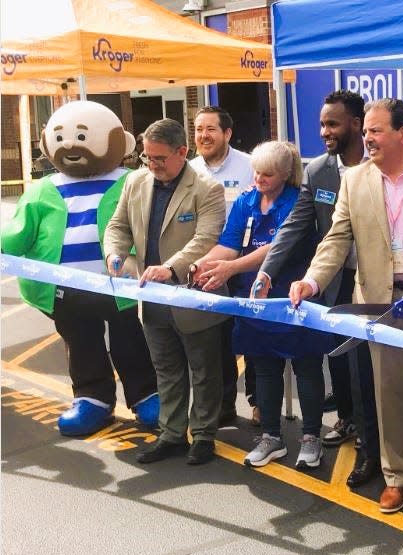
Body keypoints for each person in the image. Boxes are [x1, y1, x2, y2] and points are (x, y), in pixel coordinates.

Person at [289, 98, 403, 514]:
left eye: (376, 131)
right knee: (389, 392)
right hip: (378, 300)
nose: (367, 138)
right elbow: (336, 238)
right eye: (365, 132)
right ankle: (397, 477)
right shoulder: (356, 179)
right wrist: (312, 280)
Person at [1, 101, 159, 436]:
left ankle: (146, 394)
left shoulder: (133, 181)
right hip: (64, 288)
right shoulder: (43, 188)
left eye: (83, 136)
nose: (71, 145)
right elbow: (18, 233)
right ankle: (92, 398)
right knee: (82, 343)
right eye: (61, 138)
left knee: (129, 340)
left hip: (119, 285)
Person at [192, 141, 329, 470]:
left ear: (285, 174)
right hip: (254, 298)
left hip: (292, 295)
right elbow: (228, 244)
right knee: (263, 368)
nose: (259, 178)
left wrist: (231, 268)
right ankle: (271, 436)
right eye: (256, 171)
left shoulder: (297, 202)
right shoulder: (246, 200)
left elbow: (275, 247)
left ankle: (311, 437)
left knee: (306, 368)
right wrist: (198, 264)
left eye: (267, 174)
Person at [252, 90, 370, 471]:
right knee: (337, 354)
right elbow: (295, 226)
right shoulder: (318, 170)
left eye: (332, 123)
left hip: (374, 278)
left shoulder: (377, 165)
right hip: (333, 278)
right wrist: (267, 269)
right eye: (321, 124)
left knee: (369, 361)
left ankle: (373, 433)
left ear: (356, 123)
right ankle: (349, 418)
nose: (324, 131)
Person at [104, 118, 227, 466]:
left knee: (204, 370)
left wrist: (171, 267)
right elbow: (118, 225)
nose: (152, 165)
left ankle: (204, 435)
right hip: (152, 296)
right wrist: (114, 253)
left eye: (159, 158)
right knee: (167, 370)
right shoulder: (135, 182)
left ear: (182, 152)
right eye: (147, 157)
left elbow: (206, 240)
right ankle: (172, 434)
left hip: (192, 293)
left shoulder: (207, 188)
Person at [189, 105, 255, 426]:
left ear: (227, 133)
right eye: (199, 129)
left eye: (210, 129)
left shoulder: (250, 166)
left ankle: (258, 401)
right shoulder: (188, 171)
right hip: (205, 266)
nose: (203, 135)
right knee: (216, 341)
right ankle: (224, 406)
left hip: (245, 263)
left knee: (251, 335)